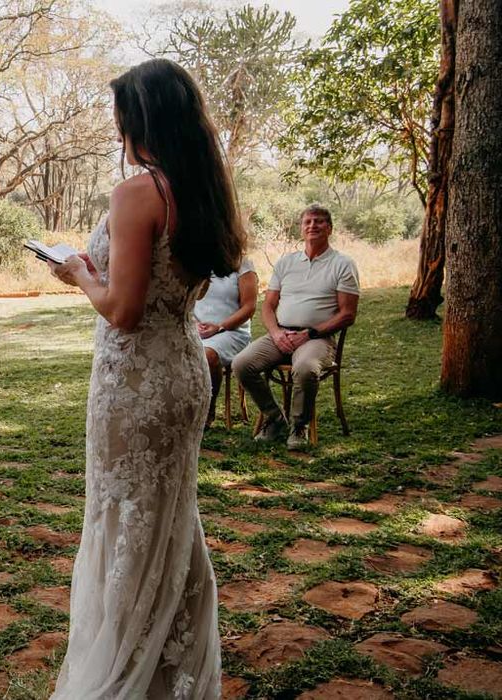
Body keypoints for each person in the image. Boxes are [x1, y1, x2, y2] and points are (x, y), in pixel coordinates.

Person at [47, 58, 243, 699]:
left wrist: (78, 272)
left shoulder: (137, 192)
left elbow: (123, 311)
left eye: (121, 117)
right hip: (184, 369)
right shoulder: (203, 188)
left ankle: (126, 675)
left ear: (141, 119)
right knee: (170, 516)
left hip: (135, 383)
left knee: (127, 516)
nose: (117, 129)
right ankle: (172, 670)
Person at [232, 205, 359, 450]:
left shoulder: (343, 264)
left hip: (316, 338)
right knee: (241, 364)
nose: (313, 226)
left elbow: (347, 314)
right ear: (301, 229)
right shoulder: (286, 262)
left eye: (319, 222)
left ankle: (298, 426)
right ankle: (274, 417)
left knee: (305, 368)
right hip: (282, 334)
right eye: (308, 222)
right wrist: (277, 333)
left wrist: (309, 333)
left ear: (329, 228)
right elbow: (268, 306)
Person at [195, 260, 258, 427]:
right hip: (197, 329)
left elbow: (249, 307)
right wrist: (193, 323)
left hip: (232, 332)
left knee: (207, 355)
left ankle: (208, 409)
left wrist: (220, 327)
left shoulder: (243, 265)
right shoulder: (195, 260)